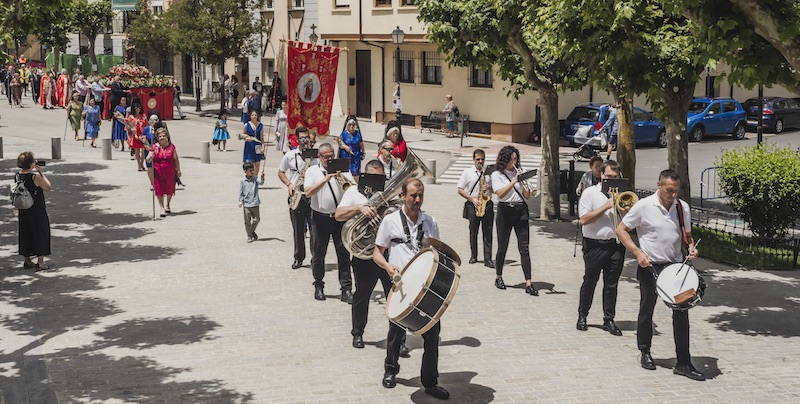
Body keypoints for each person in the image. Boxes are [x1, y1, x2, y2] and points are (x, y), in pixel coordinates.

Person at [616, 169, 704, 381]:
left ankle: (683, 362)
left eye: (676, 191)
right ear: (659, 185)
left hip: (675, 267)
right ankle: (645, 351)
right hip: (650, 267)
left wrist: (691, 248)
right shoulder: (644, 206)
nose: (673, 195)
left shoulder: (682, 207)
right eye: (669, 191)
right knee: (647, 308)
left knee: (682, 312)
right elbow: (621, 229)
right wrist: (638, 253)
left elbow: (688, 235)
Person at [372, 178, 450, 400]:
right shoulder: (390, 221)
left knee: (432, 335)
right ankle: (390, 370)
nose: (417, 200)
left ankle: (430, 382)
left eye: (421, 195)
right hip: (401, 285)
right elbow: (377, 252)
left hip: (425, 287)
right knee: (396, 331)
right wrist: (387, 266)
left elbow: (437, 253)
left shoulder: (430, 221)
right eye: (413, 195)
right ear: (403, 196)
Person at [335, 160, 390, 349]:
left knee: (394, 297)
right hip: (363, 255)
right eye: (372, 177)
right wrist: (359, 208)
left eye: (380, 177)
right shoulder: (353, 192)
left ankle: (399, 339)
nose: (377, 181)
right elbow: (338, 214)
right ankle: (357, 333)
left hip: (388, 254)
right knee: (361, 296)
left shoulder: (390, 192)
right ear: (364, 176)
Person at [577, 159, 625, 336]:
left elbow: (630, 221)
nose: (611, 180)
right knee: (590, 281)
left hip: (616, 245)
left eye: (615, 177)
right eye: (608, 176)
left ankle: (609, 319)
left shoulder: (623, 195)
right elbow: (583, 219)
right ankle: (583, 315)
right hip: (594, 244)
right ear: (601, 175)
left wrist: (622, 206)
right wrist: (606, 206)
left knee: (611, 284)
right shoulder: (590, 193)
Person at [303, 143, 354, 302]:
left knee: (344, 254)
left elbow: (352, 189)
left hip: (340, 218)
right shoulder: (312, 171)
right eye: (327, 157)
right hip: (320, 218)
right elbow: (308, 192)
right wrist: (326, 179)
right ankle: (319, 285)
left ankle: (346, 289)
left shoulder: (342, 168)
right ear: (320, 157)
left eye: (332, 155)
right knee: (319, 254)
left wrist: (343, 178)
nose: (330, 159)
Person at [491, 145, 537, 296]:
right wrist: (514, 181)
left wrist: (525, 184)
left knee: (524, 247)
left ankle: (529, 282)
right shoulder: (497, 174)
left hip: (521, 209)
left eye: (516, 159)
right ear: (504, 159)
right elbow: (500, 194)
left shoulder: (519, 172)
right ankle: (498, 276)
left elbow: (527, 196)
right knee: (502, 246)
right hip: (505, 210)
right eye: (511, 160)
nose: (514, 163)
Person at [278, 126, 317, 270]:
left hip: (311, 195)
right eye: (302, 138)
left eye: (307, 138)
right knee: (298, 228)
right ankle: (298, 257)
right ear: (296, 139)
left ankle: (316, 258)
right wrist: (289, 184)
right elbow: (281, 172)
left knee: (314, 230)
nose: (305, 141)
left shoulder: (315, 156)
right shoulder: (290, 155)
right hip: (296, 195)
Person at [16, 152, 53, 271]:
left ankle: (27, 260)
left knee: (26, 232)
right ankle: (41, 262)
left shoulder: (18, 175)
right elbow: (48, 187)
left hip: (24, 208)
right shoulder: (34, 177)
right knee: (40, 233)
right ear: (30, 163)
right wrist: (41, 172)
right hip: (36, 209)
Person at [457, 149, 495, 268]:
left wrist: (490, 187)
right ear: (473, 160)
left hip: (487, 203)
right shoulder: (467, 172)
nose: (480, 162)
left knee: (487, 232)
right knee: (473, 231)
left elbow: (497, 189)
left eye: (482, 159)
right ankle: (474, 256)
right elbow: (460, 190)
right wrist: (472, 199)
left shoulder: (489, 173)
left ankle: (487, 259)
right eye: (478, 159)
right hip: (473, 203)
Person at [146, 128, 181, 217]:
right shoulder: (154, 147)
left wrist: (178, 170)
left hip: (170, 171)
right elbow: (148, 159)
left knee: (170, 189)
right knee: (159, 190)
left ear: (167, 137)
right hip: (158, 172)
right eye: (160, 136)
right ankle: (161, 208)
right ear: (157, 138)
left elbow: (176, 159)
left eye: (163, 136)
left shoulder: (172, 146)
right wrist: (150, 157)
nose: (162, 138)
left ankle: (167, 205)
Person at [239, 162, 266, 243]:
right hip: (246, 204)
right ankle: (250, 236)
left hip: (255, 203)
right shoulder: (242, 181)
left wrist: (262, 178)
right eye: (250, 170)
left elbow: (261, 183)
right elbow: (241, 192)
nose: (252, 172)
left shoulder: (255, 179)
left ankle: (251, 231)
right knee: (247, 221)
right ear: (245, 171)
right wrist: (240, 201)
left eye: (253, 170)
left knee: (257, 219)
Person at [126, 102, 148, 171]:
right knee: (137, 151)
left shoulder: (144, 116)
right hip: (135, 135)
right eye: (136, 108)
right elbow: (127, 126)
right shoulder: (131, 117)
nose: (138, 109)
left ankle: (142, 163)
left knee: (144, 150)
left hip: (143, 135)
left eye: (139, 108)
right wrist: (131, 129)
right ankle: (139, 165)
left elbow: (146, 125)